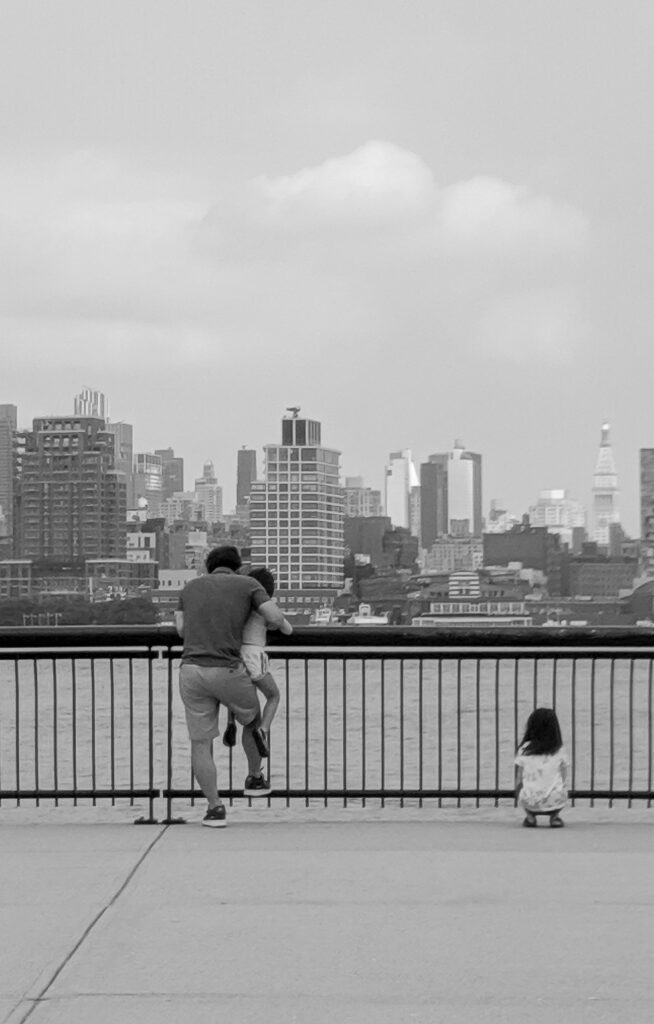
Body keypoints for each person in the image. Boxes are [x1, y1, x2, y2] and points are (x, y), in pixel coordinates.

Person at [175, 544, 290, 828]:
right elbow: (275, 618)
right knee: (252, 721)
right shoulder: (248, 584)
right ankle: (254, 777)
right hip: (227, 669)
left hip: (190, 669)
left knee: (200, 743)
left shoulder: (190, 588)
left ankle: (214, 809)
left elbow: (181, 629)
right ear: (238, 567)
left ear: (207, 567)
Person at [222, 566, 292, 757]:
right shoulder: (265, 608)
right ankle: (264, 730)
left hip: (234, 656)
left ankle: (231, 719)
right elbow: (287, 629)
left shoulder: (238, 606)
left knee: (239, 693)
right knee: (273, 695)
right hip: (254, 655)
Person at [515, 707, 569, 828]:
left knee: (520, 786)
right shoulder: (559, 749)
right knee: (561, 787)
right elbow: (564, 776)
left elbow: (519, 777)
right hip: (555, 800)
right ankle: (554, 817)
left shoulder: (524, 748)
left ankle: (530, 816)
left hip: (529, 801)